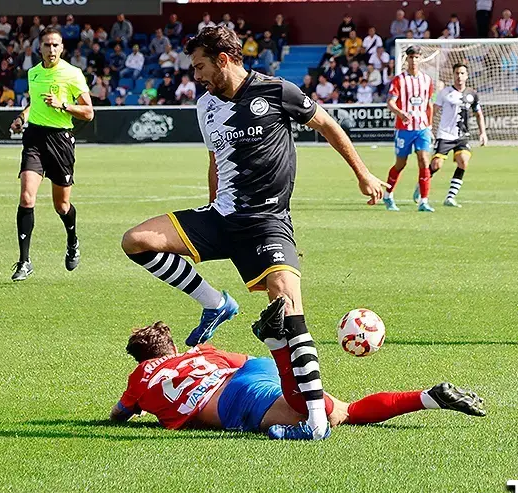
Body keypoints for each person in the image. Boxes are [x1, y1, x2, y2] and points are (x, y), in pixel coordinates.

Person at [120, 27, 387, 441]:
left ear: (224, 59)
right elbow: (215, 159)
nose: (197, 75)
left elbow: (328, 125)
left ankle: (315, 422)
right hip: (221, 218)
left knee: (287, 305)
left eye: (201, 66)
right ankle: (215, 302)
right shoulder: (206, 105)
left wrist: (363, 173)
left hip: (266, 222)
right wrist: (210, 203)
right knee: (136, 240)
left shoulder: (277, 91)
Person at [111, 305, 485, 439]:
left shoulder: (140, 377)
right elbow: (243, 362)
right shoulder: (198, 352)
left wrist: (143, 406)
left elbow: (119, 415)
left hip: (228, 402)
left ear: (140, 358)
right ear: (172, 348)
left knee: (311, 415)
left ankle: (278, 343)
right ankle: (428, 397)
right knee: (341, 412)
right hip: (244, 375)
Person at [9, 28, 94, 280]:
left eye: (56, 45)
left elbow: (89, 112)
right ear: (40, 48)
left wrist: (63, 105)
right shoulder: (33, 73)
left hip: (60, 141)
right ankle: (24, 262)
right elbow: (34, 102)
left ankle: (72, 240)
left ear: (62, 48)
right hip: (34, 137)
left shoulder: (72, 74)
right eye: (47, 45)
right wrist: (21, 117)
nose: (52, 49)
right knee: (26, 197)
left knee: (61, 205)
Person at [383, 46, 435, 212]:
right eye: (411, 57)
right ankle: (388, 195)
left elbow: (429, 104)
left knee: (424, 161)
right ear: (407, 59)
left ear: (420, 59)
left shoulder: (427, 80)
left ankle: (424, 201)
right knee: (400, 163)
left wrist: (430, 125)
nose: (413, 60)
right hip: (404, 128)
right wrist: (400, 113)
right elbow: (390, 102)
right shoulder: (399, 80)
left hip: (422, 128)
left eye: (416, 57)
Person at [429, 64, 488, 208]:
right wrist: (428, 128)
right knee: (436, 165)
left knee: (463, 161)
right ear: (453, 75)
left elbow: (478, 113)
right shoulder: (444, 93)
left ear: (467, 76)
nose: (459, 76)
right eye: (457, 73)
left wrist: (483, 133)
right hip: (445, 134)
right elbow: (434, 110)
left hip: (462, 136)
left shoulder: (472, 94)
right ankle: (422, 184)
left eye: (462, 73)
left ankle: (450, 197)